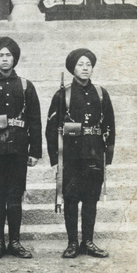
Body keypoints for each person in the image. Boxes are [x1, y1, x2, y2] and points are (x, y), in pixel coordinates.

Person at [0, 36, 42, 259]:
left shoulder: (25, 86)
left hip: (19, 149)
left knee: (15, 196)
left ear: (14, 59)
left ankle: (15, 242)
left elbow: (35, 120)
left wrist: (35, 151)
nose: (4, 59)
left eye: (8, 55)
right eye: (1, 55)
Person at [45, 48, 115, 258]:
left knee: (91, 199)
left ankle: (89, 242)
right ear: (72, 68)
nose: (85, 68)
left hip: (94, 153)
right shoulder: (62, 94)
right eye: (80, 65)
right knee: (71, 198)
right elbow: (51, 128)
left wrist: (107, 156)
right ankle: (72, 243)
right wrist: (54, 159)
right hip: (71, 156)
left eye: (88, 65)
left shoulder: (101, 93)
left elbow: (110, 126)